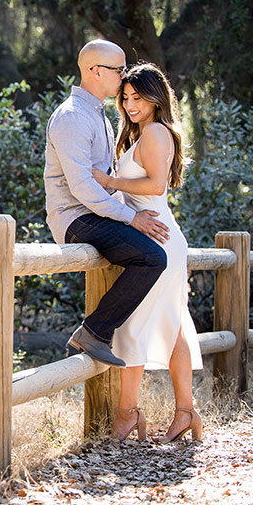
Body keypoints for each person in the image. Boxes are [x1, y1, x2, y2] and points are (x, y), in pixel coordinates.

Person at [91, 62, 203, 443]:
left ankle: (127, 414)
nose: (130, 104)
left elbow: (154, 186)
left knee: (134, 325)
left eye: (138, 97)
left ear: (156, 98)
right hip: (158, 235)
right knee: (173, 328)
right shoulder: (144, 133)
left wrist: (108, 181)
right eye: (125, 98)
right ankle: (186, 412)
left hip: (159, 238)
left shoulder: (154, 132)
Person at [44, 39, 170, 368]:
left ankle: (98, 332)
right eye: (119, 69)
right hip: (75, 218)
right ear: (96, 71)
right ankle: (94, 332)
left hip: (95, 215)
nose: (124, 74)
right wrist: (132, 218)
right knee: (152, 257)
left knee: (150, 254)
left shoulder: (97, 113)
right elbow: (83, 187)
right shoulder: (72, 117)